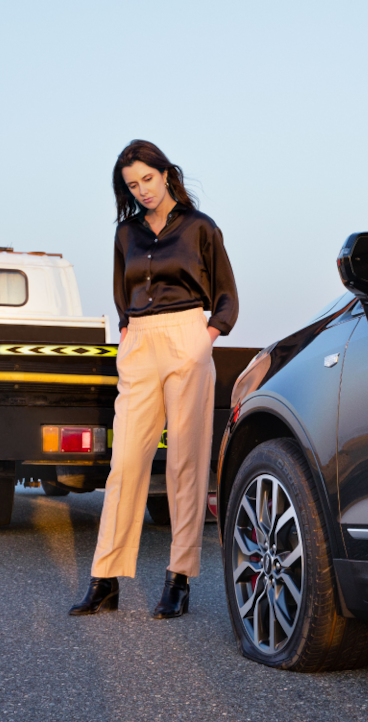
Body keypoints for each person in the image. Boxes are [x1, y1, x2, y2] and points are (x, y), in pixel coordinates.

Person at [70, 140, 239, 619]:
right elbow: (123, 293)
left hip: (188, 333)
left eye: (147, 178)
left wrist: (205, 339)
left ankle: (179, 579)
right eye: (131, 184)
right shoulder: (126, 233)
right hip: (140, 343)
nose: (141, 190)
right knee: (125, 464)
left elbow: (227, 296)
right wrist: (127, 335)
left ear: (166, 173)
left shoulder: (201, 228)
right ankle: (105, 579)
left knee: (186, 464)